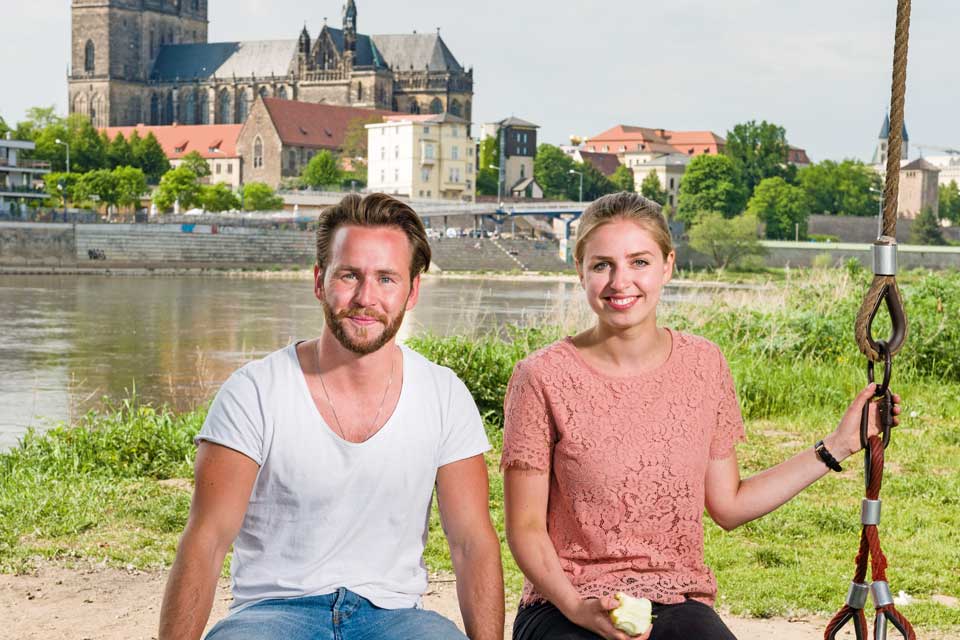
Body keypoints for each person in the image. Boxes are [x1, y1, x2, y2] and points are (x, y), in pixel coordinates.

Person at [501, 192, 900, 640]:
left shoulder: (704, 364)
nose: (620, 281)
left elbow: (728, 505)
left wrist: (839, 444)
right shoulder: (541, 376)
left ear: (668, 265)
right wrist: (578, 607)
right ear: (580, 271)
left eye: (639, 262)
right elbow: (526, 528)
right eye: (601, 265)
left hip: (675, 599)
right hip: (565, 603)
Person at [159, 193, 505, 640]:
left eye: (386, 278)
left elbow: (471, 543)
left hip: (397, 617)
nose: (366, 298)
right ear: (320, 280)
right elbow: (206, 542)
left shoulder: (443, 394)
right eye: (349, 275)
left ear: (412, 291)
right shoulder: (254, 392)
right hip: (272, 615)